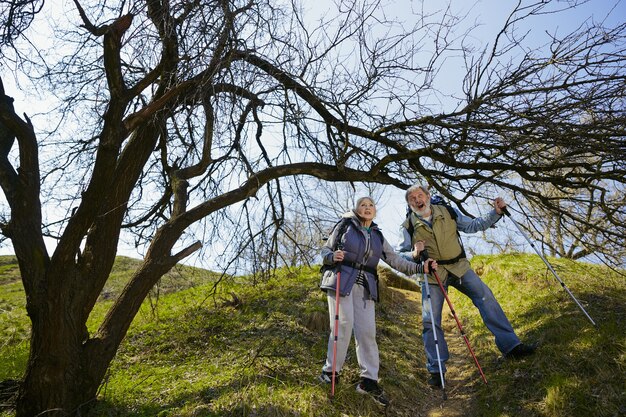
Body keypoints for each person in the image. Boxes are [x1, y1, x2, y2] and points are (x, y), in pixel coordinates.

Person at [397, 184, 537, 388]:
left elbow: (473, 225)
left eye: (420, 195)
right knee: (430, 321)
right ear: (409, 204)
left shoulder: (447, 211)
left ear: (427, 196)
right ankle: (437, 370)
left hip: (460, 267)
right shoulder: (407, 225)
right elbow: (400, 255)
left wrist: (495, 213)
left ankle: (511, 346)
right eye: (412, 199)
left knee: (486, 298)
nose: (418, 200)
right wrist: (414, 254)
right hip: (433, 275)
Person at [319, 196, 437, 407]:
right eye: (362, 205)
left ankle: (368, 381)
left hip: (365, 286)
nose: (367, 208)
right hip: (340, 280)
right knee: (342, 326)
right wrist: (331, 256)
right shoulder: (344, 225)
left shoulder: (377, 235)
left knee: (367, 332)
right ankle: (330, 372)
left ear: (375, 211)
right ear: (356, 210)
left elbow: (396, 261)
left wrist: (420, 267)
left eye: (370, 205)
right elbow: (325, 250)